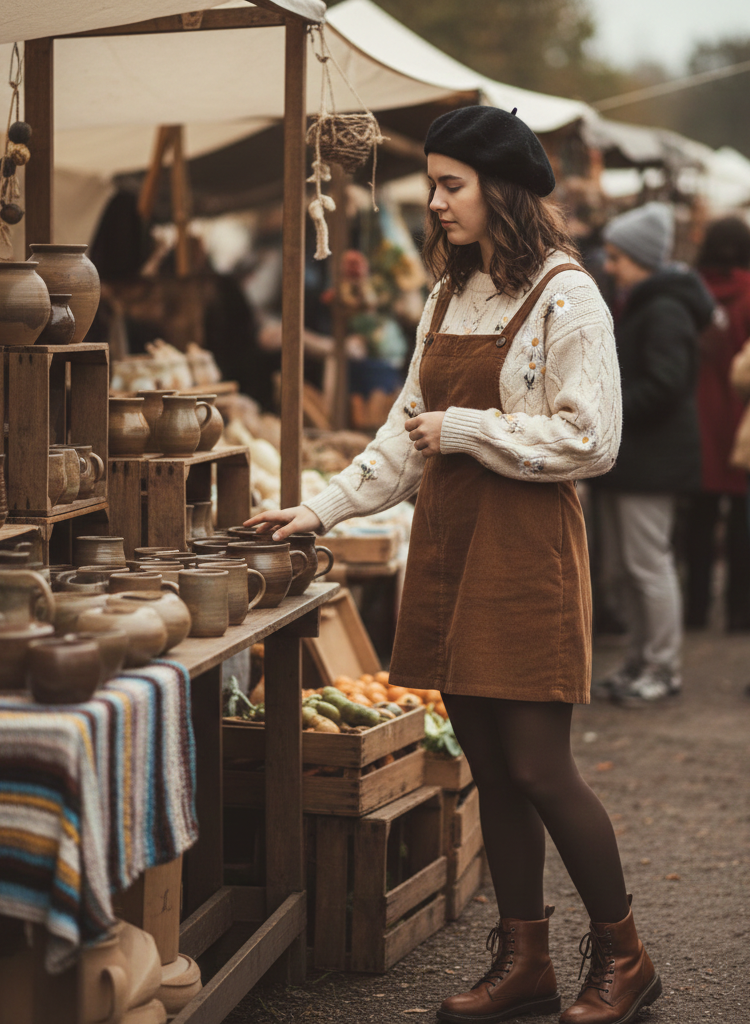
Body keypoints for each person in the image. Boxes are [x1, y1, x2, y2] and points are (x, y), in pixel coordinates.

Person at [247, 106, 661, 1024]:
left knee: (541, 769)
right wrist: (314, 509)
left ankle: (626, 956)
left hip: (524, 550)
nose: (434, 202)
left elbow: (593, 442)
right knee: (483, 759)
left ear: (501, 189)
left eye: (450, 184)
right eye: (432, 183)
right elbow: (404, 438)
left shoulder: (567, 294)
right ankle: (526, 961)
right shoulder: (449, 294)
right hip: (449, 543)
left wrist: (468, 429)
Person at [594, 202, 713, 706]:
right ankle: (640, 661)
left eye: (618, 257)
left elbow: (666, 384)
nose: (610, 266)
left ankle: (663, 668)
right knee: (627, 570)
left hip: (653, 462)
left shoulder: (662, 308)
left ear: (641, 258)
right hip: (637, 461)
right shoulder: (646, 302)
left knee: (647, 566)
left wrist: (610, 409)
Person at [684, 217, 750, 631]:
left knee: (698, 523)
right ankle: (741, 614)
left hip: (698, 421)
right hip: (743, 423)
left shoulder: (691, 290)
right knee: (743, 526)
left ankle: (695, 612)